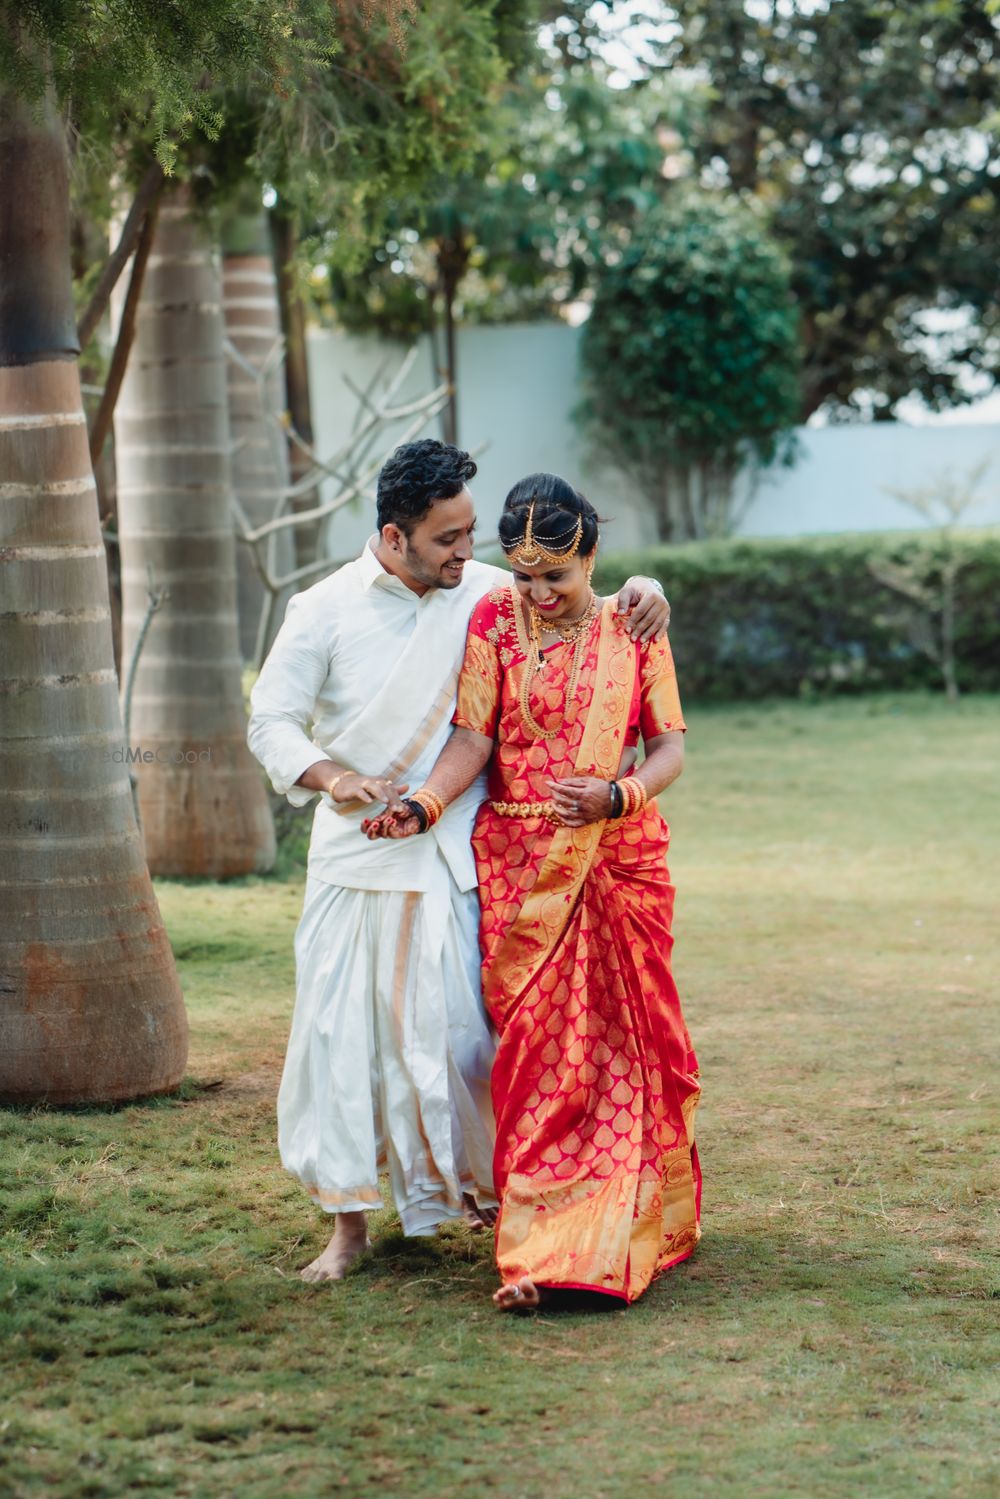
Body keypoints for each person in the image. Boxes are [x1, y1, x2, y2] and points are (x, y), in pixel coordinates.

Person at [247, 440, 671, 1282]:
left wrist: (650, 589)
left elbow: (585, 592)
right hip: (356, 859)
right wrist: (337, 778)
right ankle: (348, 1230)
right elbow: (272, 723)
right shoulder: (322, 609)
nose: (467, 552)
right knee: (345, 1045)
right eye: (448, 538)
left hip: (459, 861)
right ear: (396, 536)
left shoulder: (487, 588)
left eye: (471, 533)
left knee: (467, 1045)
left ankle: (489, 1197)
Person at [365, 472, 700, 1309]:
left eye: (557, 575)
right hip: (520, 864)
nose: (539, 593)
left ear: (591, 558)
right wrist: (424, 802)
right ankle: (537, 1249)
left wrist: (616, 795)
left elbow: (669, 750)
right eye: (523, 575)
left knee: (620, 1056)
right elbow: (476, 737)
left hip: (613, 858)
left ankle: (605, 1238)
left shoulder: (633, 625)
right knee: (541, 1061)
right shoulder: (491, 621)